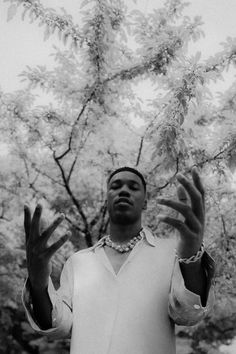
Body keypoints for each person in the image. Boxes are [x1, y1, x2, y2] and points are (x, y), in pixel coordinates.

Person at [22, 166, 215, 354]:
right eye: (116, 186)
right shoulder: (78, 262)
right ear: (106, 200)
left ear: (145, 202)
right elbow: (59, 326)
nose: (123, 190)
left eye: (133, 187)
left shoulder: (171, 253)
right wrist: (39, 283)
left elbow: (189, 314)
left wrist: (192, 260)